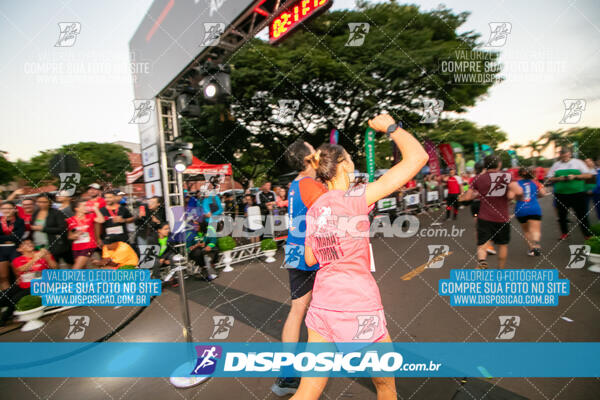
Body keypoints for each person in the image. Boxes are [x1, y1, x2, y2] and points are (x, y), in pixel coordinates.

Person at [291, 114, 428, 400]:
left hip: (323, 307)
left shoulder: (316, 208)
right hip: (358, 305)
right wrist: (390, 126)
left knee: (306, 393)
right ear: (342, 166)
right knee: (386, 386)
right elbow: (417, 158)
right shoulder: (357, 197)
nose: (354, 164)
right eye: (351, 159)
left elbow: (311, 258)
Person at [271, 140, 327, 396]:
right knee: (321, 312)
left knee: (297, 312)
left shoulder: (295, 184)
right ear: (307, 159)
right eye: (313, 149)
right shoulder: (310, 184)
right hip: (310, 251)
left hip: (295, 247)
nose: (317, 151)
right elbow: (335, 211)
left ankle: (287, 375)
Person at [460, 155, 523, 269]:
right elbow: (518, 191)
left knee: (482, 244)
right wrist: (516, 196)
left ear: (485, 165)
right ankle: (500, 270)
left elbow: (468, 197)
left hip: (484, 217)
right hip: (502, 218)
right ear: (499, 165)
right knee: (503, 245)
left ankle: (482, 261)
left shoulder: (478, 178)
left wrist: (479, 194)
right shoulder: (506, 176)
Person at [546, 147, 595, 239]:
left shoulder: (578, 163)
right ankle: (564, 234)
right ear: (560, 155)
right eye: (562, 155)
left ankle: (587, 235)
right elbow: (549, 178)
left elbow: (588, 175)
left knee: (582, 215)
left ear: (570, 154)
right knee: (562, 216)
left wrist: (575, 176)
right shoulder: (556, 165)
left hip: (577, 193)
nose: (564, 157)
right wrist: (559, 179)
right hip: (561, 194)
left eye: (566, 155)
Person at [514, 167, 547, 256]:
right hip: (534, 208)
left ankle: (532, 249)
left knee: (526, 231)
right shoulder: (536, 183)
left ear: (519, 174)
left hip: (521, 209)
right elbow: (543, 193)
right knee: (535, 229)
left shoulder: (516, 184)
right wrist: (535, 196)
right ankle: (536, 244)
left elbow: (514, 196)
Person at [30, 194, 71, 265]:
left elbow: (62, 229)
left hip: (53, 244)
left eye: (44, 202)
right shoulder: (36, 213)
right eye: (39, 202)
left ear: (49, 202)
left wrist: (43, 228)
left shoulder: (56, 213)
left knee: (56, 266)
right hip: (39, 245)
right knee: (46, 267)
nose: (41, 204)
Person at [67, 199, 105, 269]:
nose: (86, 207)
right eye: (84, 205)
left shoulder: (91, 216)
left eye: (87, 205)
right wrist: (75, 236)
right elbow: (70, 236)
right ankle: (89, 280)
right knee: (82, 269)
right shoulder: (70, 220)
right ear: (77, 209)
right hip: (76, 247)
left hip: (89, 245)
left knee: (76, 268)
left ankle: (70, 280)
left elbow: (101, 220)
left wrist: (96, 209)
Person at [0, 201, 26, 290]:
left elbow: (18, 236)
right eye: (4, 208)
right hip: (1, 250)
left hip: (15, 249)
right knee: (3, 277)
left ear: (14, 209)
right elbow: (14, 236)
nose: (6, 210)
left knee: (18, 275)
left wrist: (4, 237)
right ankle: (8, 299)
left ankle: (20, 297)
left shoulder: (20, 221)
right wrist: (10, 237)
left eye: (9, 208)